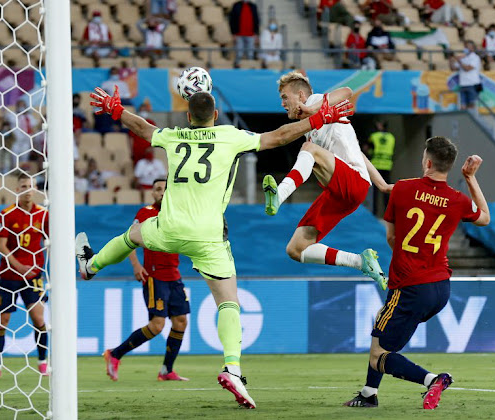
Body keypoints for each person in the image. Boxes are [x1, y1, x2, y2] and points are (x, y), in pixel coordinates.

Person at [80, 85, 354, 409]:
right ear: (215, 115)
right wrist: (319, 118)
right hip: (208, 236)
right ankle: (233, 369)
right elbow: (279, 136)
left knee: (134, 233)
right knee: (228, 302)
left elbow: (143, 128)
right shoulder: (230, 135)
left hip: (168, 228)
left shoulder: (173, 136)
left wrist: (116, 111)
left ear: (187, 116)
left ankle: (91, 265)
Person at [343, 137, 490, 409]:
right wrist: (469, 178)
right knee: (381, 322)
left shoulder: (403, 189)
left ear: (427, 162)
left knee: (379, 355)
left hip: (409, 285)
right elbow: (484, 217)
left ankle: (433, 379)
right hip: (440, 288)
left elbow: (391, 237)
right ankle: (368, 393)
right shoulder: (457, 199)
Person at [262, 71, 389, 290]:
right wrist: (383, 185)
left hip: (352, 183)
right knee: (296, 249)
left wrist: (313, 109)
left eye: (285, 97)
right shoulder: (311, 126)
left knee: (309, 150)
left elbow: (347, 91)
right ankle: (361, 261)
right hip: (340, 194)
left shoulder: (316, 102)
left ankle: (279, 195)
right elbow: (359, 153)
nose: (282, 103)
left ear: (301, 95)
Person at [104, 179, 190, 382]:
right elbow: (127, 240)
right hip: (154, 276)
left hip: (174, 275)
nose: (161, 192)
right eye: (158, 189)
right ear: (152, 193)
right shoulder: (146, 213)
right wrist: (136, 265)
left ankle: (166, 370)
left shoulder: (178, 212)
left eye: (165, 189)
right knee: (157, 325)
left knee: (180, 321)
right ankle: (115, 354)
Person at [0, 173, 49, 378]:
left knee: (38, 318)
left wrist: (47, 269)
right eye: (23, 186)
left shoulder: (42, 214)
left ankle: (42, 362)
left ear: (35, 189)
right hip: (9, 276)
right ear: (17, 190)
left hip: (33, 276)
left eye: (31, 186)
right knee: (2, 320)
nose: (28, 190)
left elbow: (50, 242)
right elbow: (1, 246)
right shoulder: (7, 214)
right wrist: (19, 266)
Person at [367, 120, 395, 215]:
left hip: (376, 166)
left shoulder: (374, 136)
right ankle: (387, 212)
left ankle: (374, 213)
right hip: (387, 166)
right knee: (387, 190)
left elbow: (368, 149)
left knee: (375, 192)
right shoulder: (391, 137)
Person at [449, 40, 482, 110]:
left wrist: (459, 61)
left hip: (472, 84)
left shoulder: (475, 57)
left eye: (468, 47)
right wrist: (451, 59)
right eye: (465, 47)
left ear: (472, 48)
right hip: (463, 84)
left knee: (471, 105)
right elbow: (453, 68)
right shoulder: (463, 58)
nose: (466, 48)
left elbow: (467, 68)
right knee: (462, 107)